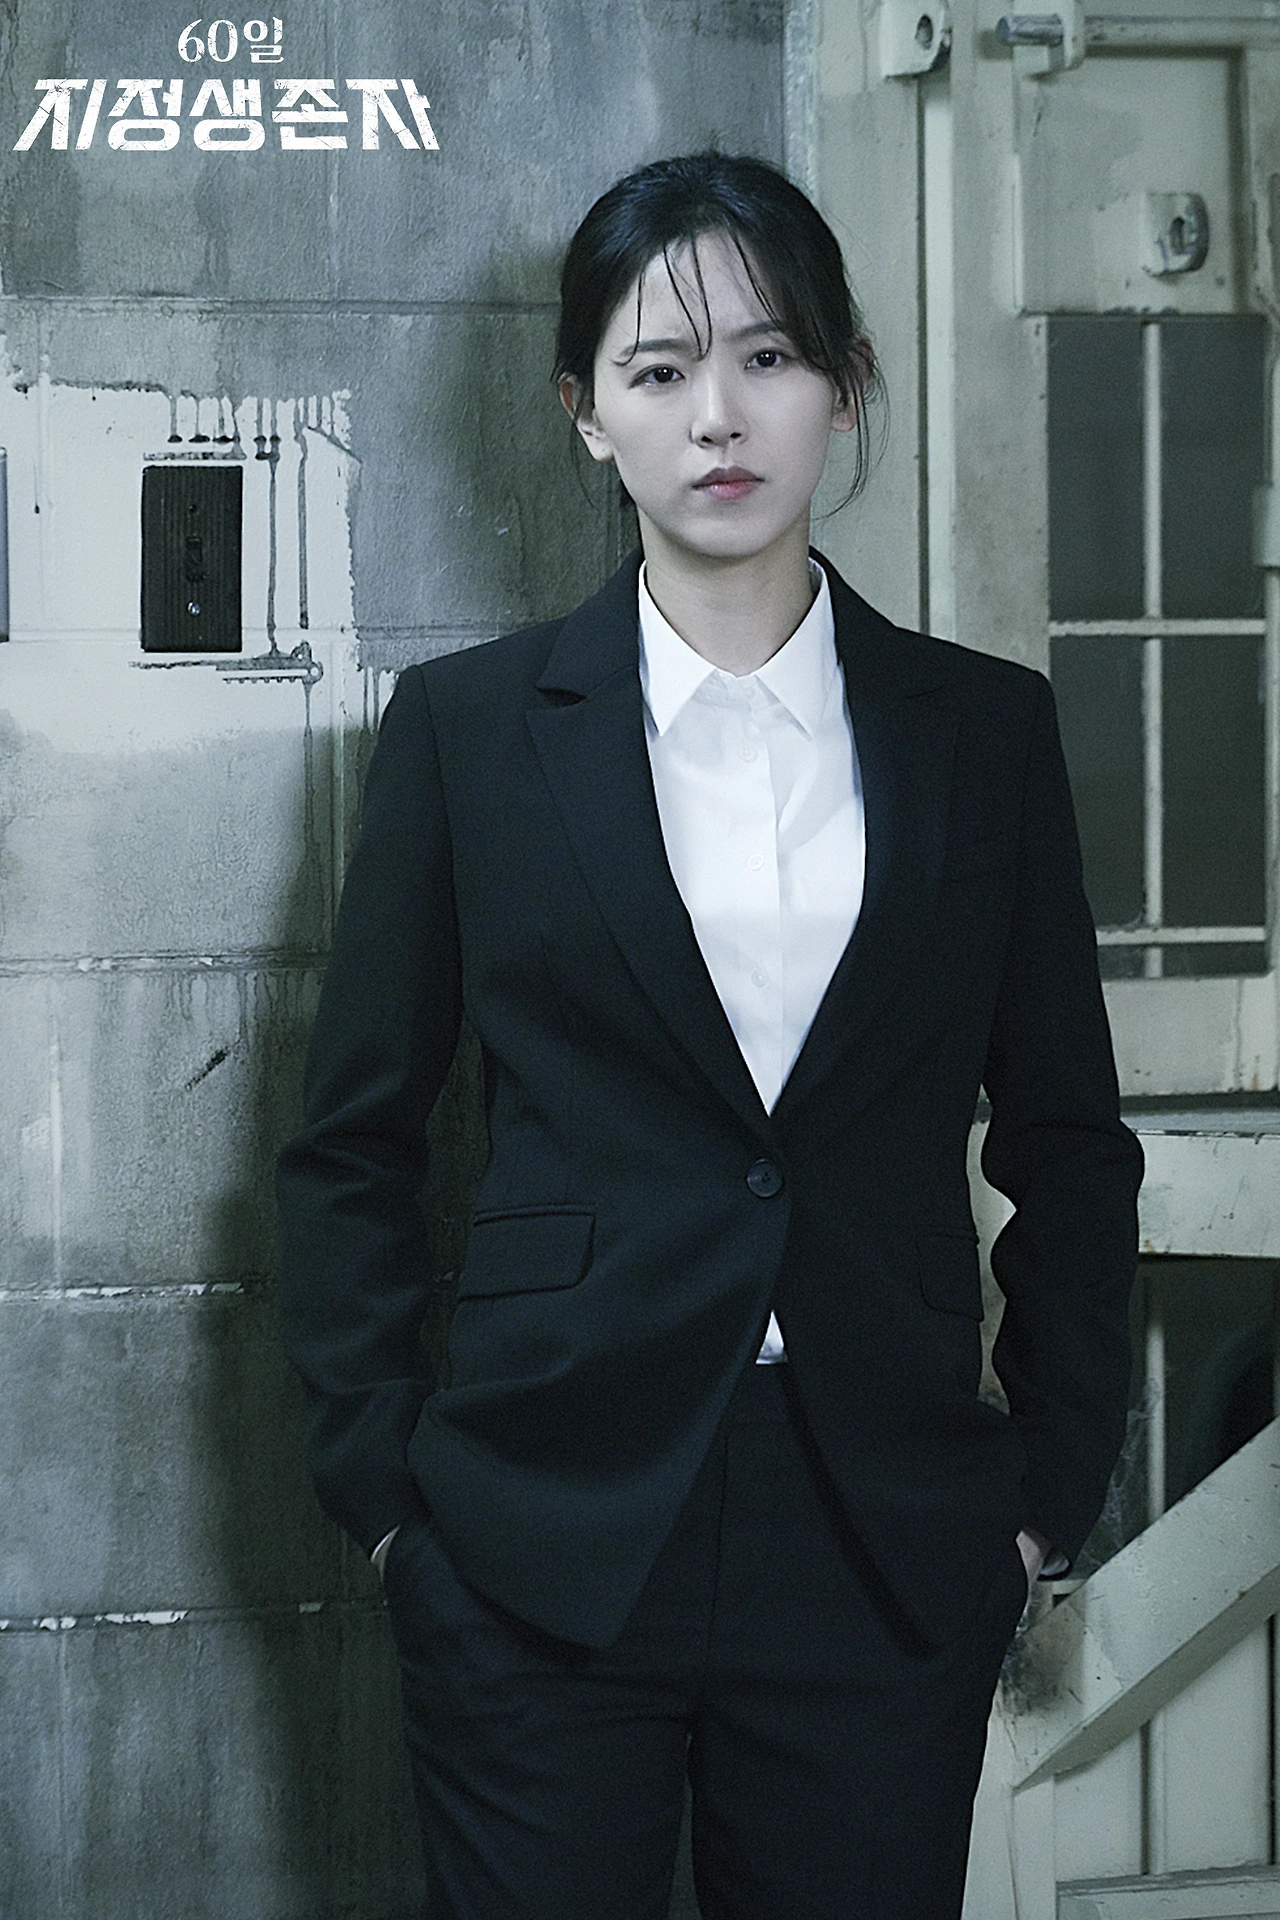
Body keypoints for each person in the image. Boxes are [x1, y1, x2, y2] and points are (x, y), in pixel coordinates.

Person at [276, 152, 1142, 1920]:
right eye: (659, 371)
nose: (718, 416)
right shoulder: (470, 732)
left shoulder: (983, 735)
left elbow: (1067, 1139)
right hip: (539, 1526)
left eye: (768, 356)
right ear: (586, 414)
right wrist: (393, 1503)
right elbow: (352, 1138)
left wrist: (1046, 1490)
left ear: (846, 384)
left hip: (883, 1531)